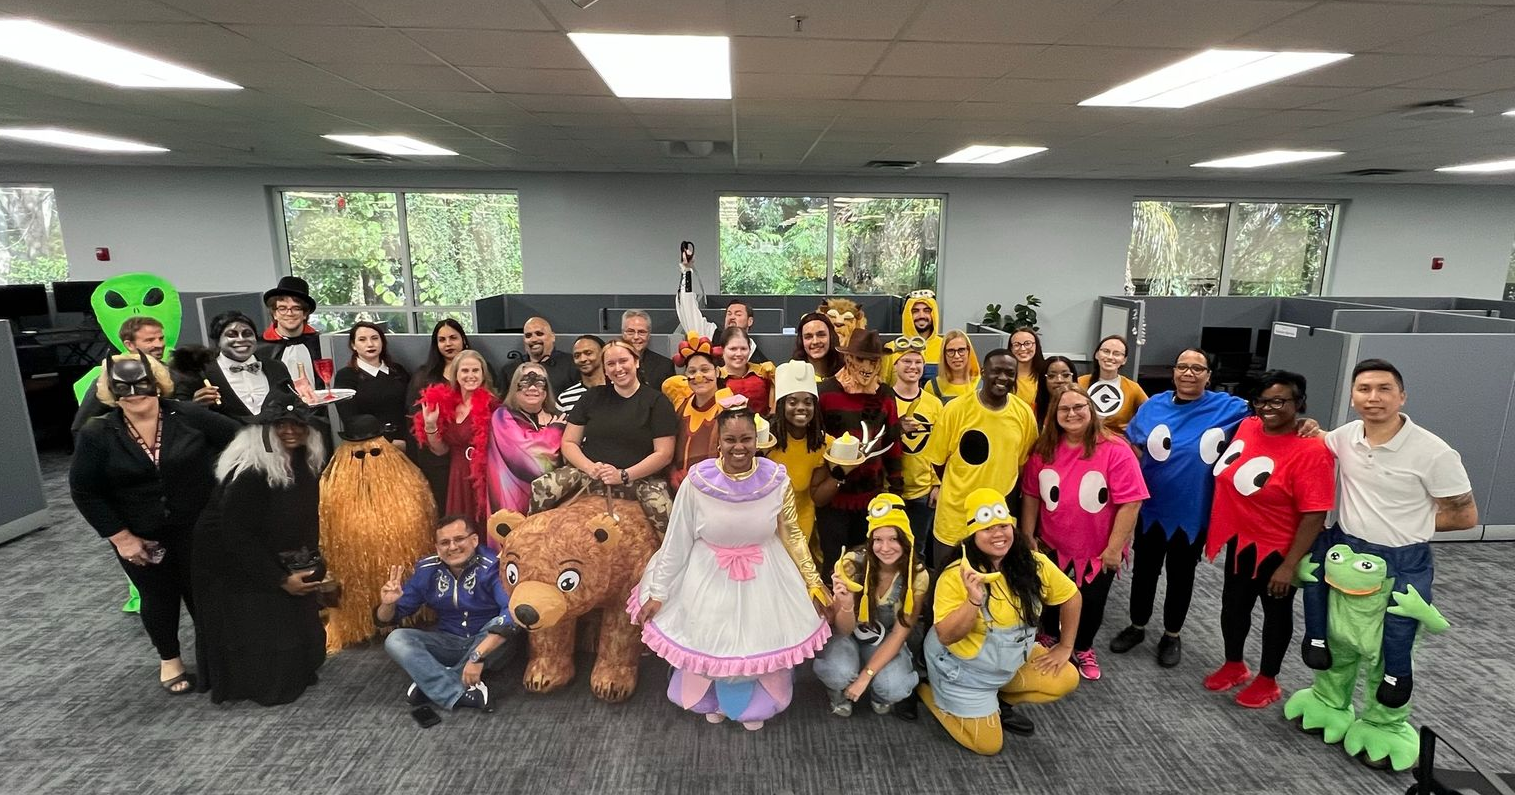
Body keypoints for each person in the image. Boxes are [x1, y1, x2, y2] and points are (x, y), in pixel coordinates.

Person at [631, 408, 830, 731]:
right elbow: (677, 540)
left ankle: (755, 704)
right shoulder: (698, 482)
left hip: (765, 573)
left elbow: (791, 533)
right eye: (731, 439)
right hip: (708, 572)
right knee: (709, 637)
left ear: (758, 440)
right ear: (719, 442)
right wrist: (659, 592)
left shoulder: (776, 479)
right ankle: (712, 698)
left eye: (746, 439)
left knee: (758, 641)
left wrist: (813, 581)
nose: (739, 447)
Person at [1300, 359, 1476, 709]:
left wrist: (1410, 524)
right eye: (1364, 389)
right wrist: (1310, 427)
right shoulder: (1346, 436)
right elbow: (1318, 437)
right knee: (1337, 637)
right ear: (1352, 398)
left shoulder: (1434, 452)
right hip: (1345, 552)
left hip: (1399, 562)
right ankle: (1328, 704)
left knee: (1391, 644)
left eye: (1384, 389)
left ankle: (1383, 724)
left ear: (1402, 397)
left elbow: (1465, 516)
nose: (1373, 397)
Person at [69, 353, 240, 694]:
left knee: (205, 594)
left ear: (157, 384)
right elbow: (84, 491)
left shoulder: (189, 416)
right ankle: (170, 659)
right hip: (140, 534)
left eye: (141, 386)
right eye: (123, 388)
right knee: (158, 597)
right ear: (111, 391)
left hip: (198, 527)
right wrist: (122, 538)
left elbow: (243, 444)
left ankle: (215, 661)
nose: (134, 394)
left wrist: (226, 500)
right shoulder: (98, 433)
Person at [1111, 348, 1251, 668]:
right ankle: (1137, 626)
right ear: (1174, 371)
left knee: (1181, 575)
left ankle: (1172, 634)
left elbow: (1266, 418)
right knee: (1144, 572)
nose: (1188, 373)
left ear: (1208, 375)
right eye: (1182, 367)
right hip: (1152, 509)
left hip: (1192, 512)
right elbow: (1131, 443)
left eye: (1197, 368)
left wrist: (1306, 425)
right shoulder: (1153, 406)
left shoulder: (1229, 407)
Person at [1203, 371, 1334, 708]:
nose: (1268, 408)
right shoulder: (1248, 427)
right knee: (1233, 606)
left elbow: (1314, 513)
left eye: (1279, 401)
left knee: (1275, 614)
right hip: (1242, 539)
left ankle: (1268, 679)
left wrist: (1289, 565)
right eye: (1261, 401)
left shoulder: (1312, 448)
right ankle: (1234, 664)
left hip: (1280, 548)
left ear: (1299, 403)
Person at [918, 489, 1081, 754]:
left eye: (1003, 526)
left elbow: (1072, 596)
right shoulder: (956, 574)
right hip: (963, 671)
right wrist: (973, 601)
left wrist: (1065, 646)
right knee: (988, 746)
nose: (998, 534)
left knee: (1066, 677)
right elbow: (946, 635)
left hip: (1010, 662)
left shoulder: (1034, 564)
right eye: (987, 529)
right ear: (973, 535)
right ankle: (932, 694)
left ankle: (999, 698)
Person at [192, 397, 328, 705]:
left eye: (298, 424)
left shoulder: (303, 463)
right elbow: (237, 537)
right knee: (262, 627)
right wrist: (280, 579)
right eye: (281, 425)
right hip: (232, 563)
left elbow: (306, 518)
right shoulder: (250, 473)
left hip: (272, 551)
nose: (291, 431)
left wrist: (310, 563)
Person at [1021, 386, 1147, 681]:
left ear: (1091, 410)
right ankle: (1050, 636)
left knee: (1091, 603)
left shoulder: (1116, 449)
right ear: (1055, 415)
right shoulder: (1043, 449)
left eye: (1079, 407)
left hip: (1097, 550)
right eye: (1064, 409)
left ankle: (1083, 646)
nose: (1072, 414)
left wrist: (1115, 548)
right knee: (1051, 597)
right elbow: (1030, 495)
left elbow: (1132, 501)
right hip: (1052, 544)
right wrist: (1028, 535)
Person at [532, 340, 677, 534]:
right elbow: (569, 442)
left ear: (636, 362)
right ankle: (528, 543)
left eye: (623, 361)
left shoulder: (657, 402)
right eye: (610, 364)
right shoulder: (592, 397)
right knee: (542, 486)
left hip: (640, 477)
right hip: (591, 472)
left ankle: (673, 561)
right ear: (605, 370)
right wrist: (589, 467)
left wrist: (623, 475)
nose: (618, 368)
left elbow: (664, 454)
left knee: (662, 510)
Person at [319, 413, 437, 652]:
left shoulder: (410, 482)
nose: (368, 459)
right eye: (359, 455)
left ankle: (406, 613)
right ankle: (363, 621)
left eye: (374, 453)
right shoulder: (333, 489)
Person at [378, 516, 520, 710]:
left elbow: (511, 613)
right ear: (437, 548)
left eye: (459, 539)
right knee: (396, 639)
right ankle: (457, 691)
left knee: (501, 625)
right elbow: (387, 619)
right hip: (448, 642)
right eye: (445, 542)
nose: (452, 547)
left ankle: (432, 684)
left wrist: (477, 655)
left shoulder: (492, 567)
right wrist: (388, 604)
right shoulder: (427, 570)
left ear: (474, 540)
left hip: (488, 643)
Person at [924, 348, 1038, 568]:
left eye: (1009, 373)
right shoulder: (955, 410)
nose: (1003, 378)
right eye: (997, 371)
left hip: (998, 522)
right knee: (947, 587)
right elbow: (938, 462)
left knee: (994, 591)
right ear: (984, 372)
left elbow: (1022, 467)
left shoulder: (1024, 414)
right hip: (955, 521)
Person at [817, 494, 929, 718]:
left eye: (894, 538)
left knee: (893, 686)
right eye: (878, 539)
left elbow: (900, 634)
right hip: (847, 635)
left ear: (906, 540)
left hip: (884, 638)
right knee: (838, 671)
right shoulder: (850, 564)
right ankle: (837, 690)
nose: (885, 547)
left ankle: (878, 692)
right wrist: (847, 604)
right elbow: (842, 630)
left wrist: (865, 676)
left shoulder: (917, 576)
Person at [816, 329, 903, 580]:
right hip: (834, 497)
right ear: (848, 359)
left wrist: (896, 489)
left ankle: (863, 615)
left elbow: (892, 443)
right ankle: (832, 616)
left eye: (873, 361)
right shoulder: (826, 392)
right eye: (861, 359)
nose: (866, 366)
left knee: (868, 565)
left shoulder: (885, 394)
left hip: (872, 497)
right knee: (834, 564)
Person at [414, 349, 499, 531]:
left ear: (483, 374)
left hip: (486, 476)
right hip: (457, 474)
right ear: (456, 374)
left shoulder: (494, 406)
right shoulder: (446, 404)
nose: (470, 376)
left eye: (475, 370)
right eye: (465, 371)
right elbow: (440, 450)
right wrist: (430, 425)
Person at [71, 315, 199, 434]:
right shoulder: (110, 379)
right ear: (129, 344)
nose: (159, 345)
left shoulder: (175, 374)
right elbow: (81, 428)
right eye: (149, 340)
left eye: (161, 338)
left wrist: (196, 405)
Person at [764, 361, 833, 561]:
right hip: (762, 525)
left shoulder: (824, 444)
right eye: (792, 402)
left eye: (808, 402)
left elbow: (817, 496)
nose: (801, 408)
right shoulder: (765, 440)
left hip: (801, 526)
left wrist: (843, 468)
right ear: (781, 405)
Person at [408, 319, 475, 511]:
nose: (448, 344)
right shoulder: (424, 376)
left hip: (470, 456)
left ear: (463, 339)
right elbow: (414, 418)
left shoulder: (476, 369)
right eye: (442, 339)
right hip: (436, 457)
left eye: (453, 338)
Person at [486, 362, 566, 520]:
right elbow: (529, 460)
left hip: (553, 504)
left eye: (539, 382)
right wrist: (555, 431)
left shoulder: (558, 415)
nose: (532, 388)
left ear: (546, 390)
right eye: (526, 382)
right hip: (513, 503)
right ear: (515, 387)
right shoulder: (502, 416)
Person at [193, 311, 293, 422]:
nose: (241, 339)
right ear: (217, 341)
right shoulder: (201, 373)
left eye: (247, 334)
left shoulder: (277, 368)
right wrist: (195, 405)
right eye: (231, 335)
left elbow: (291, 405)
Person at [889, 342, 943, 546]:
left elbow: (940, 447)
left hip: (923, 491)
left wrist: (937, 485)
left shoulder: (934, 404)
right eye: (906, 361)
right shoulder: (885, 399)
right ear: (895, 365)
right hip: (890, 489)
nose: (913, 366)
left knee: (917, 549)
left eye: (918, 362)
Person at [333, 322, 410, 448]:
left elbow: (410, 407)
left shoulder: (398, 370)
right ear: (353, 345)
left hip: (406, 443)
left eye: (375, 338)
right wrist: (389, 441)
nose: (370, 344)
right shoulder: (346, 376)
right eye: (362, 340)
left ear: (382, 342)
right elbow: (350, 420)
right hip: (369, 448)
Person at [663, 334, 725, 490]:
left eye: (705, 370)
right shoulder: (680, 404)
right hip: (679, 490)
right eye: (692, 371)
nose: (698, 377)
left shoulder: (729, 406)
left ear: (717, 372)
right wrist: (672, 473)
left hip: (715, 490)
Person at [257, 275, 326, 388]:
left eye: (296, 308)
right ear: (275, 313)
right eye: (282, 308)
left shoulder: (319, 344)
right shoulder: (260, 348)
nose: (289, 313)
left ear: (305, 314)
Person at [1078, 335, 1148, 436]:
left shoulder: (1133, 388)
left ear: (1124, 360)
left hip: (1118, 445)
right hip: (1083, 441)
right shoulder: (1080, 383)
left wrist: (1134, 427)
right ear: (1097, 354)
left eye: (1117, 353)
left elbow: (1151, 412)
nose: (1110, 357)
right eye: (1105, 351)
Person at [501, 316, 578, 396]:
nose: (534, 339)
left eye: (539, 334)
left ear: (552, 337)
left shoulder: (572, 365)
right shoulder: (510, 369)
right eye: (528, 336)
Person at [719, 326, 774, 416]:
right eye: (733, 349)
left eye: (743, 349)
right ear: (722, 350)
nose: (739, 354)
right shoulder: (715, 377)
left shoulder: (763, 372)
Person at [622, 309, 676, 387]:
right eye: (630, 332)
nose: (636, 337)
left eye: (642, 332)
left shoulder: (665, 366)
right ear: (623, 334)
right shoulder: (612, 364)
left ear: (649, 335)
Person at [926, 330, 980, 403]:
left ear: (968, 351)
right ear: (944, 354)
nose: (957, 356)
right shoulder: (933, 386)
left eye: (961, 350)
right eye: (950, 351)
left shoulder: (981, 384)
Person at [556, 334, 605, 415]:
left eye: (588, 353)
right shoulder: (564, 399)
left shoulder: (619, 389)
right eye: (577, 355)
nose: (582, 359)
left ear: (603, 354)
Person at [791, 311, 844, 380]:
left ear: (831, 337)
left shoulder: (845, 373)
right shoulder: (790, 373)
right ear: (801, 341)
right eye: (808, 337)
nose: (815, 341)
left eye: (821, 335)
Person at [1009, 327, 1049, 416]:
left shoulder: (1046, 375)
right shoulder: (1004, 376)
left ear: (1036, 346)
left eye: (1028, 344)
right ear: (1011, 348)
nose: (1022, 348)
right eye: (1016, 344)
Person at [724, 299, 769, 364]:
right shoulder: (714, 351)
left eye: (738, 314)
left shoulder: (761, 364)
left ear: (750, 321)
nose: (732, 317)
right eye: (729, 314)